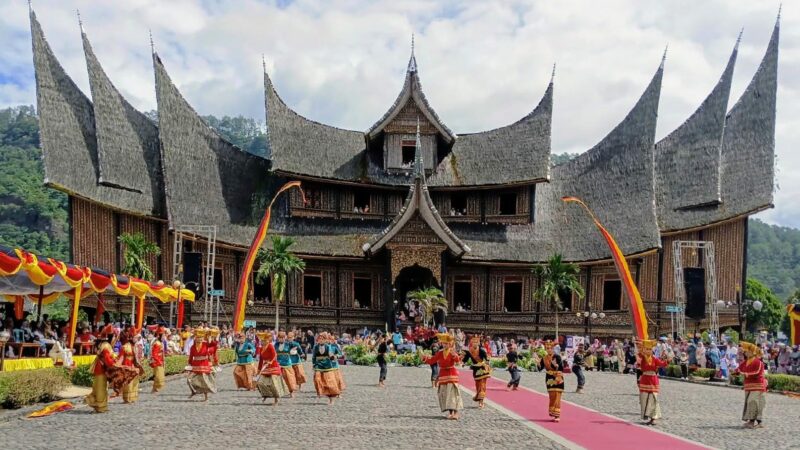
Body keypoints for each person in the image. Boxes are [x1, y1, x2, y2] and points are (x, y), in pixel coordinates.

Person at [423, 333, 463, 420]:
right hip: (443, 375)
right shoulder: (440, 353)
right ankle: (450, 412)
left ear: (450, 344)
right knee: (445, 394)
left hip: (452, 374)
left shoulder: (452, 351)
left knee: (453, 394)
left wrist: (454, 355)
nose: (445, 345)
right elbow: (432, 360)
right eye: (443, 343)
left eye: (446, 343)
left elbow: (457, 360)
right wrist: (425, 358)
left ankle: (456, 413)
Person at [85, 325, 120, 413]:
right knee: (101, 388)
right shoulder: (106, 346)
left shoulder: (102, 344)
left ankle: (97, 403)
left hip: (99, 367)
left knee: (97, 386)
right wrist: (115, 365)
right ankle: (101, 406)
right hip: (102, 369)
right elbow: (107, 359)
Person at [637, 339, 670, 426]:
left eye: (650, 349)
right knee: (644, 399)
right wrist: (640, 345)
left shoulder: (655, 359)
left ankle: (653, 418)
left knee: (653, 399)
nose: (648, 351)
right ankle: (647, 415)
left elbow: (662, 364)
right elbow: (639, 354)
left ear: (652, 350)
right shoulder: (643, 357)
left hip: (653, 380)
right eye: (646, 349)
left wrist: (668, 360)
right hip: (644, 380)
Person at [736, 341, 767, 428]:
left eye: (746, 351)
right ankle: (757, 422)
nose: (745, 353)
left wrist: (746, 374)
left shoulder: (758, 362)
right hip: (748, 386)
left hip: (758, 386)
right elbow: (738, 369)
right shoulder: (745, 362)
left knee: (752, 402)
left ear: (752, 352)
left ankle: (752, 421)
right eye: (745, 351)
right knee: (751, 403)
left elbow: (757, 372)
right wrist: (735, 372)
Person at [187, 327, 218, 401]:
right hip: (195, 365)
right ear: (195, 338)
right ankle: (193, 391)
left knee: (204, 382)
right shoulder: (192, 347)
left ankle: (206, 397)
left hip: (204, 365)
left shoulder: (205, 344)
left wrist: (212, 337)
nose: (199, 339)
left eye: (201, 338)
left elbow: (214, 344)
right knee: (189, 379)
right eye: (198, 338)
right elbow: (191, 356)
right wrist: (189, 364)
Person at [256, 331, 288, 405]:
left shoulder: (270, 346)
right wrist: (258, 370)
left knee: (273, 384)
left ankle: (276, 399)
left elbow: (274, 355)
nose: (263, 342)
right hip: (265, 367)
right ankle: (266, 394)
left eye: (265, 340)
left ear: (268, 340)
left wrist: (271, 361)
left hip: (273, 366)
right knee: (260, 383)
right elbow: (261, 360)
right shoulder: (261, 349)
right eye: (262, 340)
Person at [538, 340, 565, 422]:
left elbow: (561, 368)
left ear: (552, 348)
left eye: (550, 348)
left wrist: (556, 365)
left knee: (557, 396)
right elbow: (540, 369)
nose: (548, 349)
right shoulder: (544, 358)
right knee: (552, 396)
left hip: (558, 377)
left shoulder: (557, 356)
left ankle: (557, 415)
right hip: (549, 378)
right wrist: (538, 364)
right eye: (547, 348)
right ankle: (552, 412)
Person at [462, 336, 491, 408]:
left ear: (478, 343)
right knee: (477, 385)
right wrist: (464, 363)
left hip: (482, 369)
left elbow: (486, 357)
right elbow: (466, 358)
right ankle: (479, 397)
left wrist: (487, 362)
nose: (475, 344)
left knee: (482, 385)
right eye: (473, 342)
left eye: (476, 342)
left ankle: (481, 401)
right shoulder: (470, 351)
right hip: (475, 369)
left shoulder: (481, 350)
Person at [312, 332, 341, 405]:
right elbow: (314, 356)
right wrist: (314, 364)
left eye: (322, 339)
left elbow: (331, 356)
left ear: (325, 340)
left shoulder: (328, 347)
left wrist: (333, 357)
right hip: (318, 365)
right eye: (319, 339)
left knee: (329, 382)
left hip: (327, 365)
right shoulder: (316, 347)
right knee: (316, 379)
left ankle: (331, 399)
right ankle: (319, 394)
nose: (320, 340)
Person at [118, 329, 144, 404]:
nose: (137, 339)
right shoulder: (125, 347)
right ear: (131, 337)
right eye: (135, 337)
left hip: (135, 366)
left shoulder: (136, 346)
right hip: (127, 366)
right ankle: (127, 398)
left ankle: (132, 397)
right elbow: (121, 358)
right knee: (128, 383)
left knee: (135, 382)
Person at [275, 331, 299, 397]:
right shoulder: (276, 344)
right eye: (280, 338)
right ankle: (279, 392)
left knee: (289, 379)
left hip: (287, 363)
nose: (281, 339)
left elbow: (296, 345)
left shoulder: (288, 344)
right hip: (279, 364)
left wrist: (294, 350)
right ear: (278, 338)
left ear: (285, 338)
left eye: (283, 338)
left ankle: (291, 392)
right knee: (278, 379)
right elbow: (274, 352)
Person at [150, 326, 166, 393]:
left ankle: (154, 388)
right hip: (157, 362)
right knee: (159, 377)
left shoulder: (160, 343)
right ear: (159, 335)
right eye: (163, 335)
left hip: (161, 361)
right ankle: (155, 387)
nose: (164, 337)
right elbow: (154, 354)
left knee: (158, 375)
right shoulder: (156, 343)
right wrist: (158, 361)